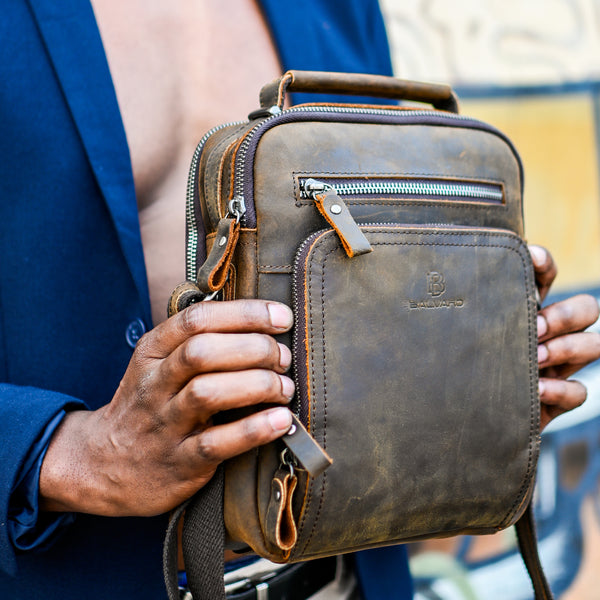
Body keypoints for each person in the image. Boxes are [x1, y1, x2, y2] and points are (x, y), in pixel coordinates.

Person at [0, 1, 598, 599]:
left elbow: (377, 263)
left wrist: (471, 380)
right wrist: (67, 454)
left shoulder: (341, 6)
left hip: (347, 577)